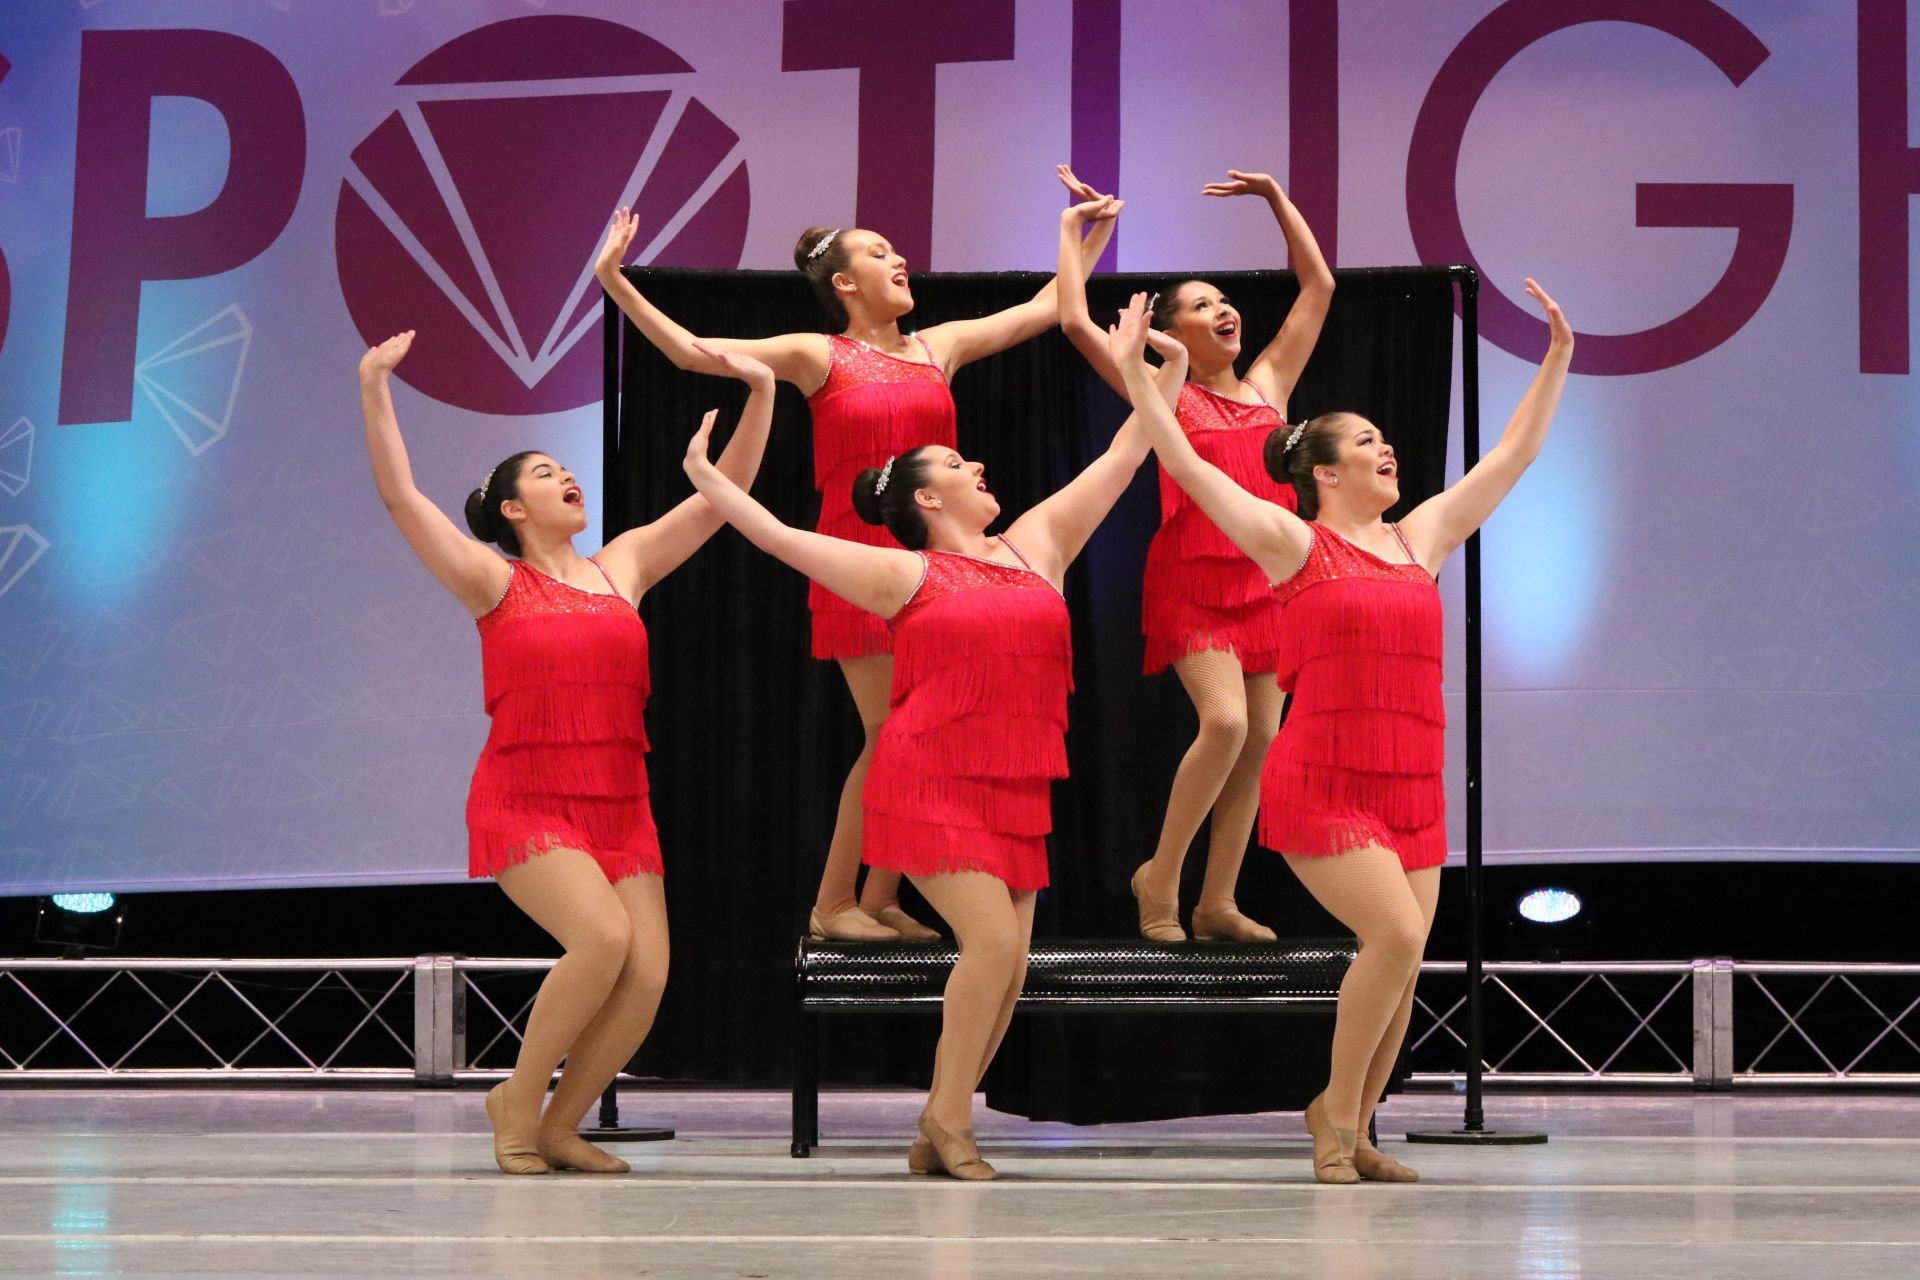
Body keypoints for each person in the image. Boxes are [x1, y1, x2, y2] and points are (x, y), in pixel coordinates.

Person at [678, 228, 1187, 1179]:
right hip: (930, 783)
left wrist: (1157, 373)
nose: (976, 465)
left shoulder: (1038, 543)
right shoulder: (894, 572)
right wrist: (712, 486)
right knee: (989, 942)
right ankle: (950, 1122)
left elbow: (1131, 452)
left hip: (1017, 785)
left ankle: (936, 1130)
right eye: (957, 465)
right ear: (922, 497)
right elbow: (781, 537)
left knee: (1005, 974)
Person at [1109, 280, 1573, 1182]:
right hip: (1322, 783)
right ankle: (1327, 1119)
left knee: (1403, 964)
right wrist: (1139, 377)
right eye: (1366, 442)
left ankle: (1356, 1125)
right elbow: (1191, 468)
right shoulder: (1291, 543)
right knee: (1394, 938)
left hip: (1413, 784)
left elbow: (1510, 458)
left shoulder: (1422, 537)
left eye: (1384, 440)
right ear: (1323, 472)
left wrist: (1556, 358)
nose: (1386, 448)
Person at [593, 178, 1118, 943]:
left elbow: (1047, 307)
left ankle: (876, 895)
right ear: (843, 282)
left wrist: (1086, 232)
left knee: (924, 733)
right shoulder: (819, 354)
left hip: (941, 566)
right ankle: (836, 901)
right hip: (857, 563)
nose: (900, 259)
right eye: (879, 253)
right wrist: (614, 281)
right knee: (890, 733)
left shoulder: (941, 347)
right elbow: (689, 353)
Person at [358, 330, 774, 1175]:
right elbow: (403, 497)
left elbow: (720, 498)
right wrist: (373, 383)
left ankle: (561, 1124)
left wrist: (762, 392)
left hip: (620, 800)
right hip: (528, 795)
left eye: (565, 469)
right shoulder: (494, 581)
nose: (565, 477)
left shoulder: (624, 566)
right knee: (600, 941)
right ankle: (517, 1102)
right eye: (544, 473)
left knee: (649, 974)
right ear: (512, 509)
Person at [1063, 165, 1334, 944]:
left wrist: (1280, 199)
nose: (1223, 309)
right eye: (1202, 304)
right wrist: (1078, 237)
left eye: (1224, 299)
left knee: (1263, 743)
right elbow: (1076, 323)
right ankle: (1161, 878)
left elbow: (1316, 287)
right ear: (1171, 332)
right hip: (1192, 583)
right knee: (1223, 724)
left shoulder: (1270, 387)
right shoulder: (1166, 391)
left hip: (1268, 587)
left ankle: (1217, 901)